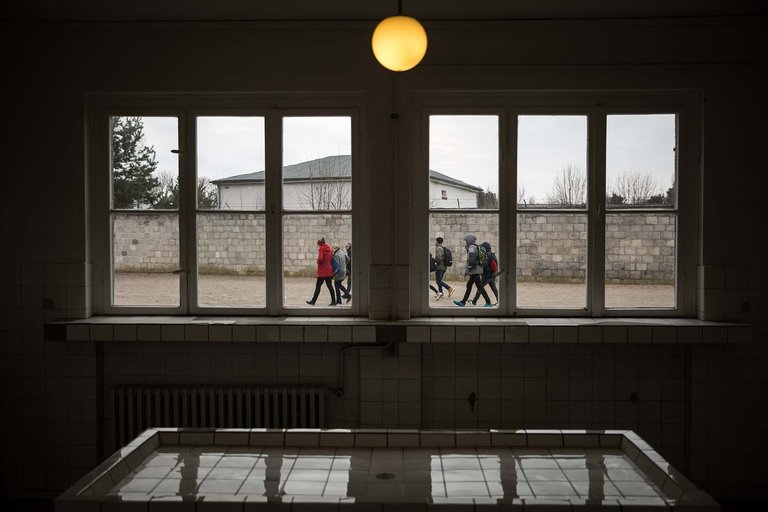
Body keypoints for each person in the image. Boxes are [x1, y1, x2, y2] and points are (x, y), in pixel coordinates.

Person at [453, 234, 492, 307]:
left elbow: (472, 257)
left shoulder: (471, 247)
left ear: (469, 240)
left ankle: (488, 302)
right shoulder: (476, 246)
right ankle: (463, 302)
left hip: (474, 270)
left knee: (479, 287)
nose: (466, 242)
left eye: (466, 241)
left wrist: (469, 267)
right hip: (476, 270)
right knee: (469, 285)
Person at [306, 237, 336, 306]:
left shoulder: (321, 249)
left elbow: (320, 258)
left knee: (318, 286)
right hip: (329, 270)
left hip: (323, 271)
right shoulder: (329, 249)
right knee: (330, 286)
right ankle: (334, 301)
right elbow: (331, 258)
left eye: (318, 244)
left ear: (320, 244)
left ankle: (313, 301)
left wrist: (318, 261)